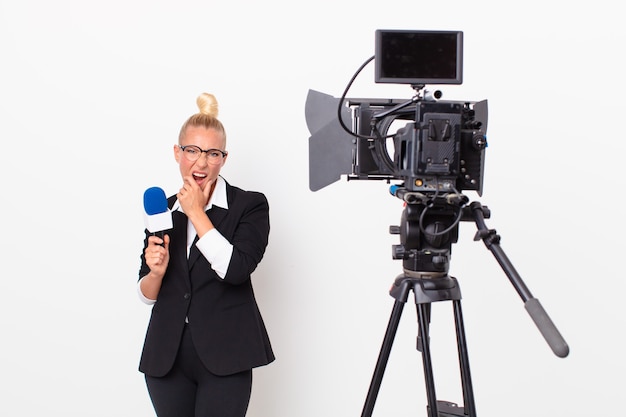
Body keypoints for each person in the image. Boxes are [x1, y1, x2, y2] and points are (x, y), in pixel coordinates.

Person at [137, 92, 275, 417]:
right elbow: (146, 295)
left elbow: (236, 269)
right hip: (166, 358)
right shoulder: (163, 210)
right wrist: (154, 273)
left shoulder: (250, 206)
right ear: (177, 152)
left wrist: (197, 213)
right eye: (192, 151)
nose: (201, 162)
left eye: (212, 153)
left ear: (224, 158)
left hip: (226, 355)